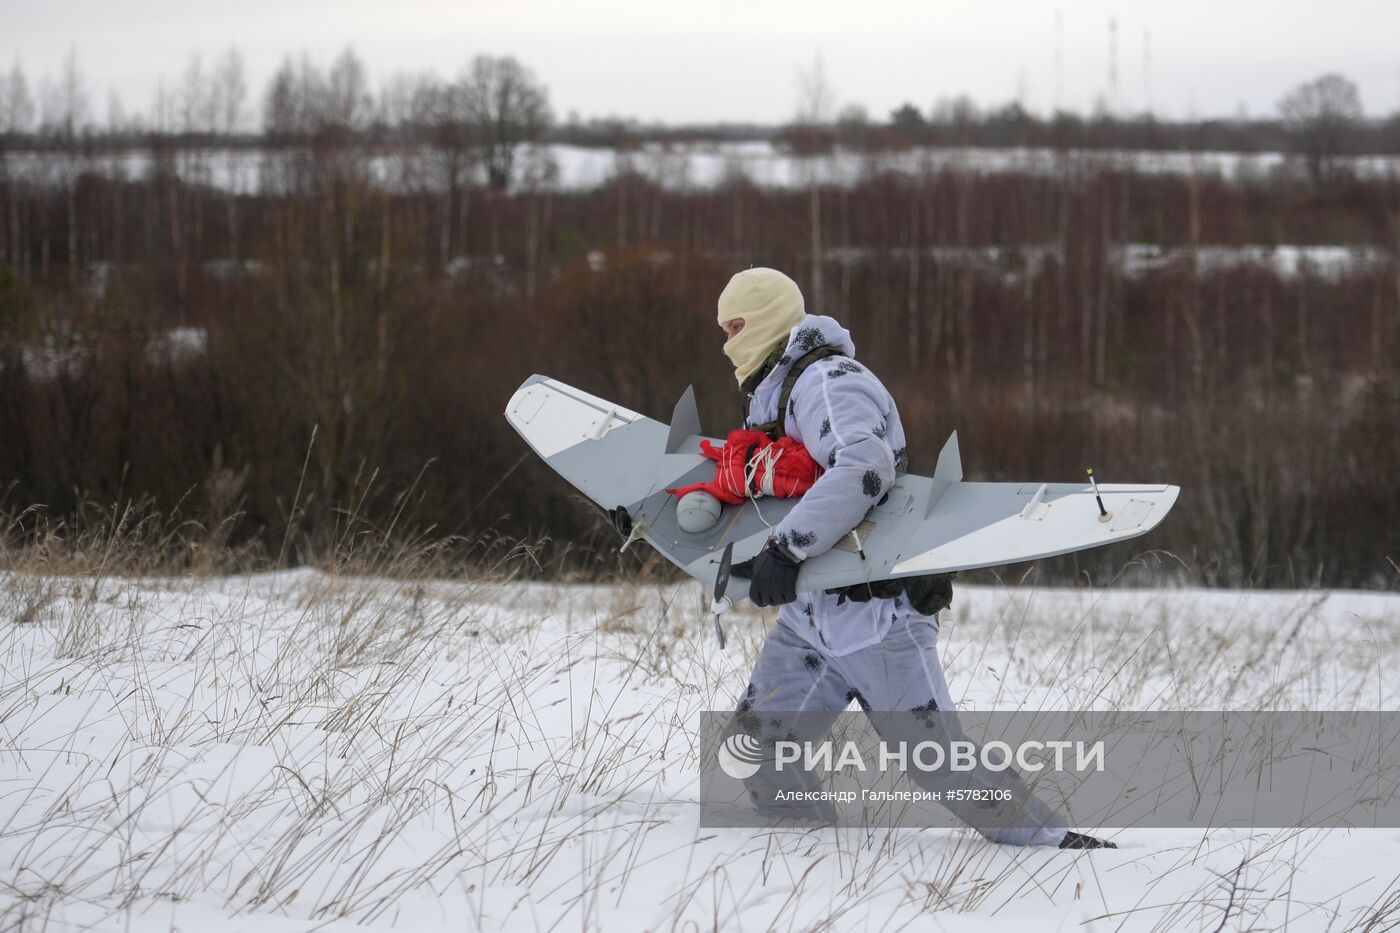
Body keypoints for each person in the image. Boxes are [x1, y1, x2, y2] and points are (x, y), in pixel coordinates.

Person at [715, 267, 1114, 850]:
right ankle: (806, 859)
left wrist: (787, 548)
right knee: (756, 753)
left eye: (735, 326)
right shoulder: (778, 396)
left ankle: (1055, 846)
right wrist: (638, 509)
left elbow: (865, 467)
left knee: (939, 762)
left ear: (769, 319)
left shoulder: (828, 381)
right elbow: (764, 489)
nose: (727, 342)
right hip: (812, 617)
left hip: (876, 618)